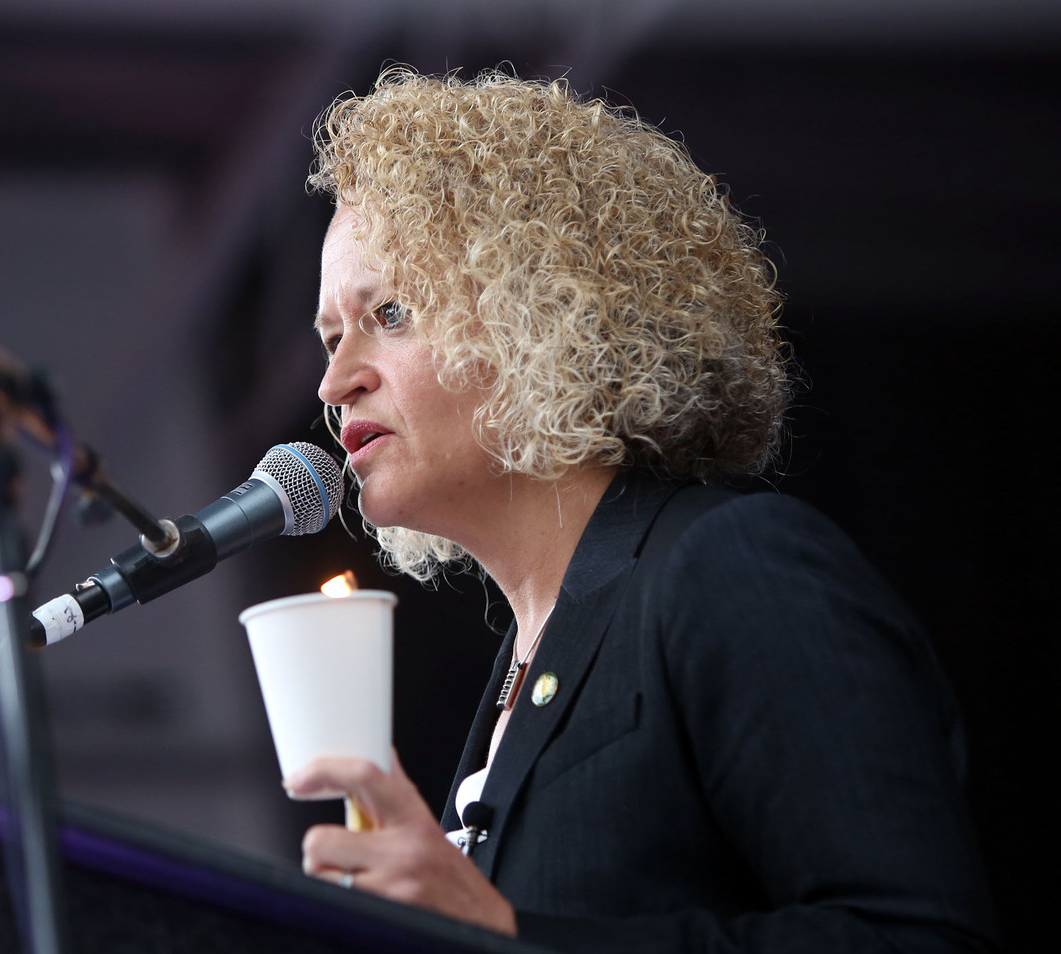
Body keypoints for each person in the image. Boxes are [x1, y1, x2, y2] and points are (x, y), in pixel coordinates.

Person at [291, 67, 1000, 953]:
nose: (334, 380)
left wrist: (509, 935)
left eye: (388, 313)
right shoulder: (529, 651)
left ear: (541, 308)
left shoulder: (733, 566)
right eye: (331, 338)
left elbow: (922, 940)